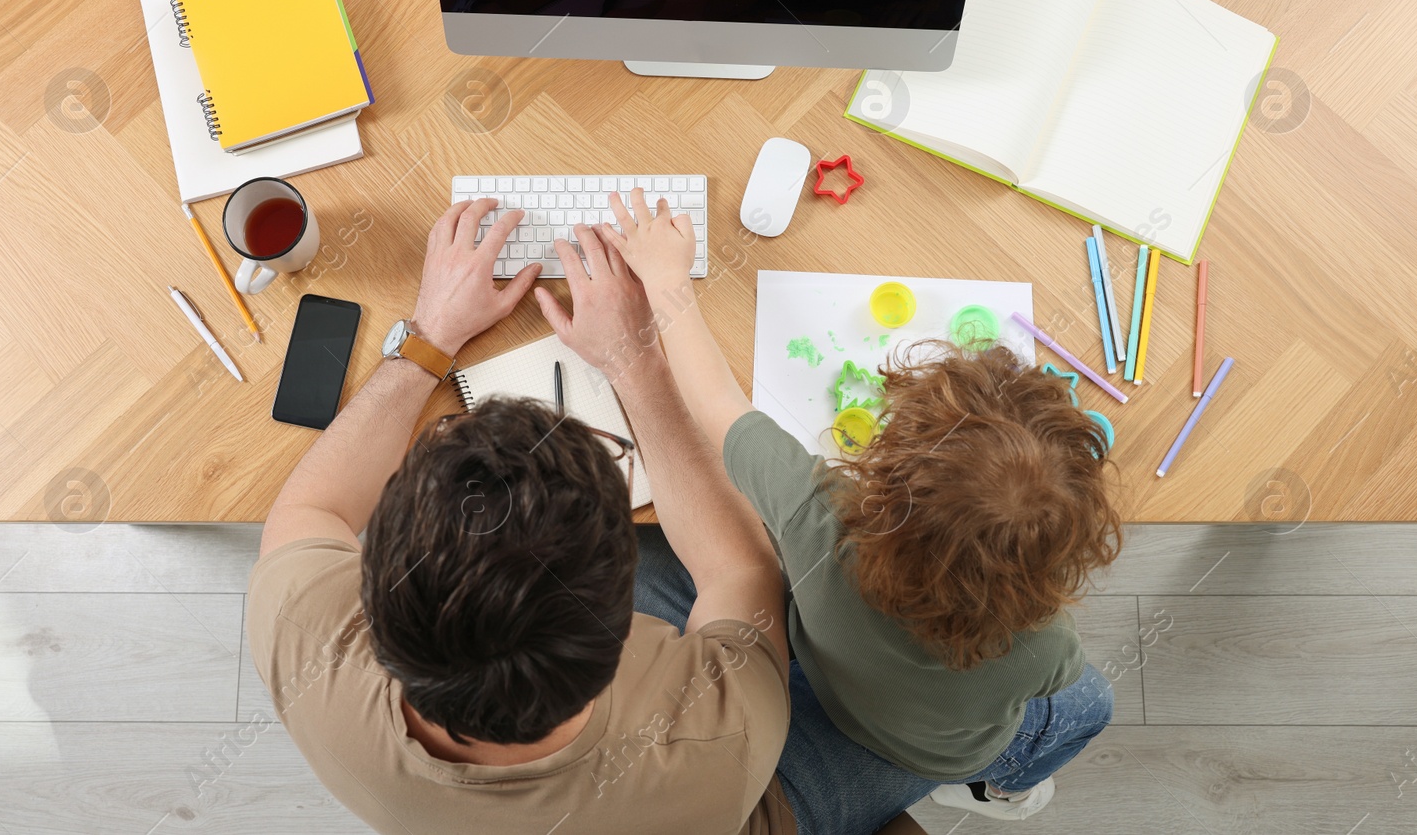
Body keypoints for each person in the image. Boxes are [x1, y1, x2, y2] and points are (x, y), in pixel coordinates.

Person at [246, 199, 931, 835]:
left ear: (374, 594)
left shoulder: (305, 644)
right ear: (630, 629)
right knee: (1017, 711)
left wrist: (433, 335)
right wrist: (637, 363)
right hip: (743, 804)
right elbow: (739, 568)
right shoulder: (716, 739)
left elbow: (313, 505)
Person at [595, 190, 1123, 821]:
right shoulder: (1045, 643)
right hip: (938, 751)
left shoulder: (818, 513)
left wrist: (666, 280)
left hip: (825, 686)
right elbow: (1049, 676)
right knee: (1090, 703)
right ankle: (1000, 787)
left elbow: (717, 405)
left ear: (886, 464)